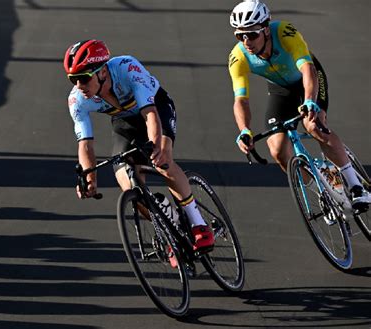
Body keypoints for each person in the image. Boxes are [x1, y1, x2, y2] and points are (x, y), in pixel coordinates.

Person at [64, 39, 214, 250]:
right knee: (129, 185)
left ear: (102, 72)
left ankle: (198, 224)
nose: (79, 86)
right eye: (73, 79)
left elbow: (150, 115)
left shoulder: (127, 68)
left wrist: (156, 146)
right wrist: (89, 178)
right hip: (125, 122)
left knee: (163, 158)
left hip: (155, 107)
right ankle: (168, 230)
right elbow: (85, 143)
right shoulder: (77, 100)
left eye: (83, 78)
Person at [228, 0, 371, 210]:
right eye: (240, 35)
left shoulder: (284, 32)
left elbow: (307, 69)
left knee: (314, 126)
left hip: (309, 79)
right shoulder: (238, 57)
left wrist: (310, 101)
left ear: (266, 30)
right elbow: (241, 100)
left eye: (252, 34)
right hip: (280, 89)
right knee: (277, 149)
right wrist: (244, 130)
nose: (246, 41)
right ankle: (323, 193)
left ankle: (356, 186)